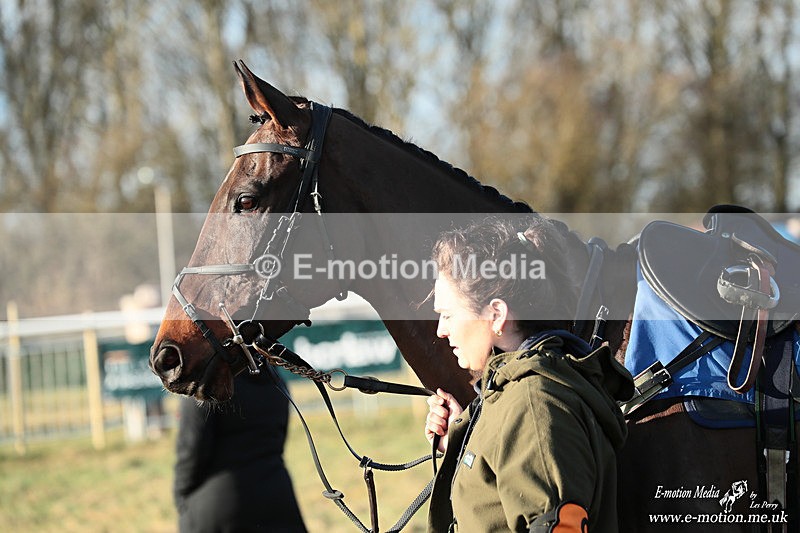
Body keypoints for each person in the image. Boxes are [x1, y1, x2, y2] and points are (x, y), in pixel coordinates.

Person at [424, 215, 634, 532]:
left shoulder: (535, 405)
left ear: (496, 315)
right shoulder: (517, 393)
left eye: (448, 315)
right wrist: (461, 436)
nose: (441, 330)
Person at [174, 369, 306, 532]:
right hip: (276, 494)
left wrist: (182, 494)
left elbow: (191, 448)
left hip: (218, 502)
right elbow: (279, 436)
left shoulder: (205, 381)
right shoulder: (275, 378)